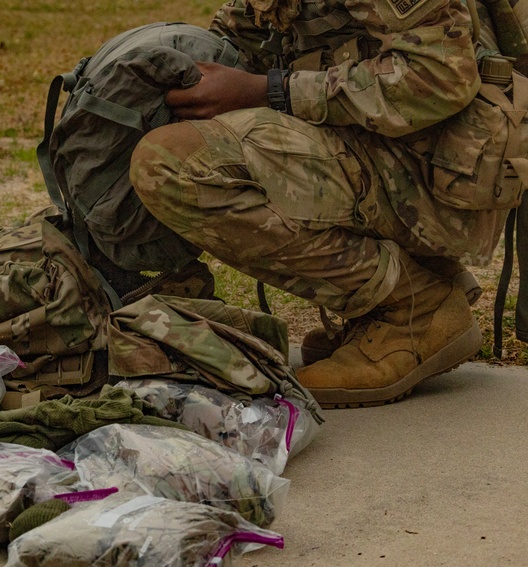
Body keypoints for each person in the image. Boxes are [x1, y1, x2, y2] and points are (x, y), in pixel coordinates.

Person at [129, 0, 524, 408]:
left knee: (171, 162)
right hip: (381, 149)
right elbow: (246, 33)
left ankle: (414, 307)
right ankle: (410, 282)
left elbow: (439, 78)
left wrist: (270, 90)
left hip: (436, 176)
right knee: (176, 137)